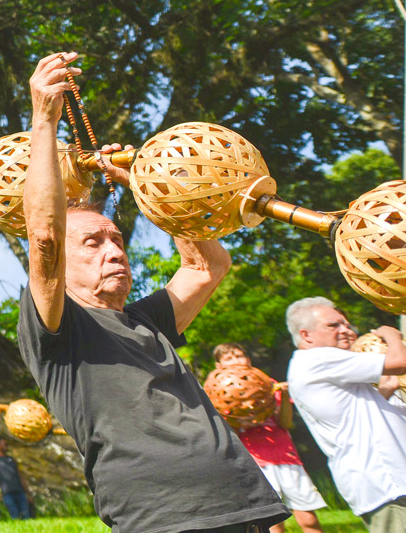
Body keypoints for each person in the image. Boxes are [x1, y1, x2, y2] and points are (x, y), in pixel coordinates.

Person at [17, 52, 287, 533]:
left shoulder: (147, 319)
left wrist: (147, 188)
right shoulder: (59, 331)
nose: (114, 252)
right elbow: (44, 236)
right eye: (93, 243)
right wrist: (43, 120)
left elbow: (208, 264)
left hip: (242, 501)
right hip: (164, 517)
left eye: (117, 240)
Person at [283, 298, 406, 531]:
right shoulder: (317, 359)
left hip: (390, 483)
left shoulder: (319, 364)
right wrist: (392, 335)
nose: (347, 331)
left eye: (348, 325)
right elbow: (401, 362)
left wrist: (386, 390)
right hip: (388, 485)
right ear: (306, 335)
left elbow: (353, 411)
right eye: (334, 325)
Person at [210, 343, 326, 533]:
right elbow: (230, 434)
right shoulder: (218, 394)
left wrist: (284, 394)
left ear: (248, 358)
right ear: (219, 365)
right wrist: (240, 418)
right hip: (255, 462)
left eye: (240, 356)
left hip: (286, 457)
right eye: (228, 358)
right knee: (274, 524)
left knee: (309, 519)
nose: (236, 361)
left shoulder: (268, 384)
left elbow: (286, 423)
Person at [0, 442, 32, 520]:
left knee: (26, 516)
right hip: (7, 493)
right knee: (15, 517)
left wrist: (28, 493)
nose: (7, 445)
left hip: (19, 491)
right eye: (4, 443)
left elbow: (20, 476)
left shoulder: (11, 459)